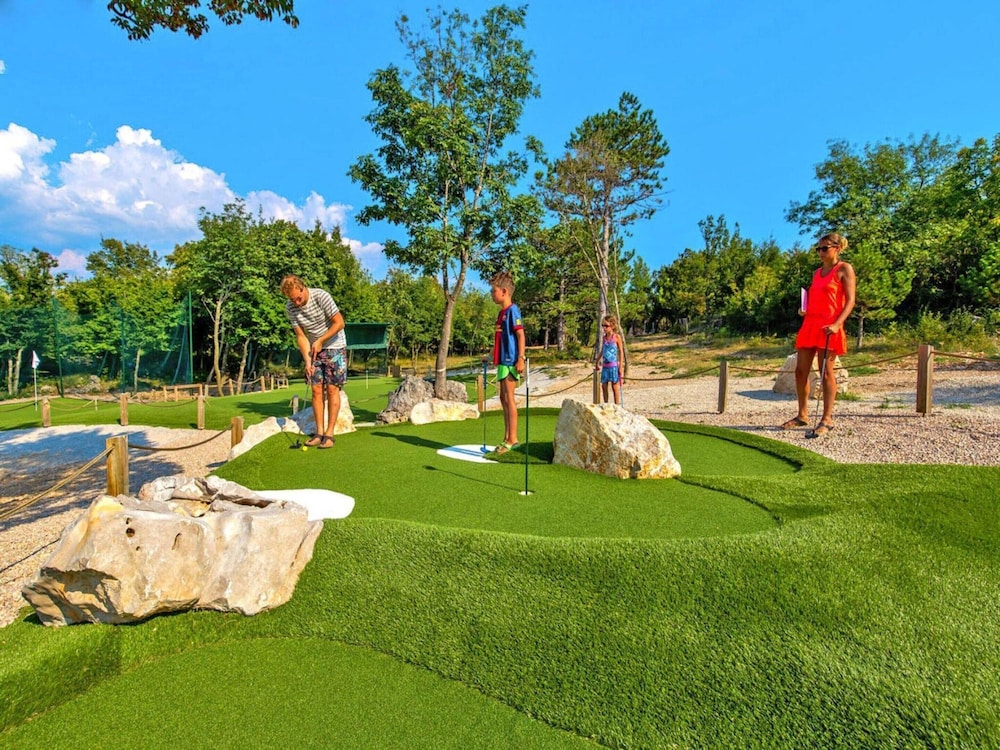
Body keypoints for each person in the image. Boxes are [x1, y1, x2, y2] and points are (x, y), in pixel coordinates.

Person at [781, 233, 856, 437]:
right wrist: (804, 310)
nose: (820, 252)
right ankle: (802, 415)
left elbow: (850, 301)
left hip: (829, 326)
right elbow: (817, 297)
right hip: (810, 324)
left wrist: (837, 324)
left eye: (825, 248)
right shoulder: (816, 273)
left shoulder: (844, 269)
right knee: (800, 371)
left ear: (837, 248)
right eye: (818, 249)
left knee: (826, 372)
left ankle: (827, 419)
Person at [281, 275, 347, 449]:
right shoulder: (290, 307)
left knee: (332, 389)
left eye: (298, 298)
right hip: (314, 349)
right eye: (292, 300)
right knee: (316, 389)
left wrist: (321, 340)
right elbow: (301, 336)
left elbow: (339, 323)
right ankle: (319, 433)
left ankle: (329, 434)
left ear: (303, 288)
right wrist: (307, 361)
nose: (296, 303)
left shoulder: (321, 296)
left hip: (335, 345)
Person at [489, 270, 525, 454]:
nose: (491, 294)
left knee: (509, 398)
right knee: (503, 398)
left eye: (493, 291)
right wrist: (490, 355)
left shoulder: (512, 311)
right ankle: (506, 437)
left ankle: (513, 439)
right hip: (502, 360)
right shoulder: (501, 313)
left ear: (504, 292)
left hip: (511, 361)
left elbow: (520, 335)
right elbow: (500, 339)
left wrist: (521, 358)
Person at [594, 315, 625, 405]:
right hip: (605, 366)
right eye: (603, 326)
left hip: (613, 366)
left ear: (612, 325)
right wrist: (597, 361)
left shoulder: (616, 337)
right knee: (604, 386)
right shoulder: (604, 338)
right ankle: (606, 404)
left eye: (606, 326)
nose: (604, 328)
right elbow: (603, 350)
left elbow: (621, 352)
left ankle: (617, 406)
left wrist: (621, 366)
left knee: (615, 387)